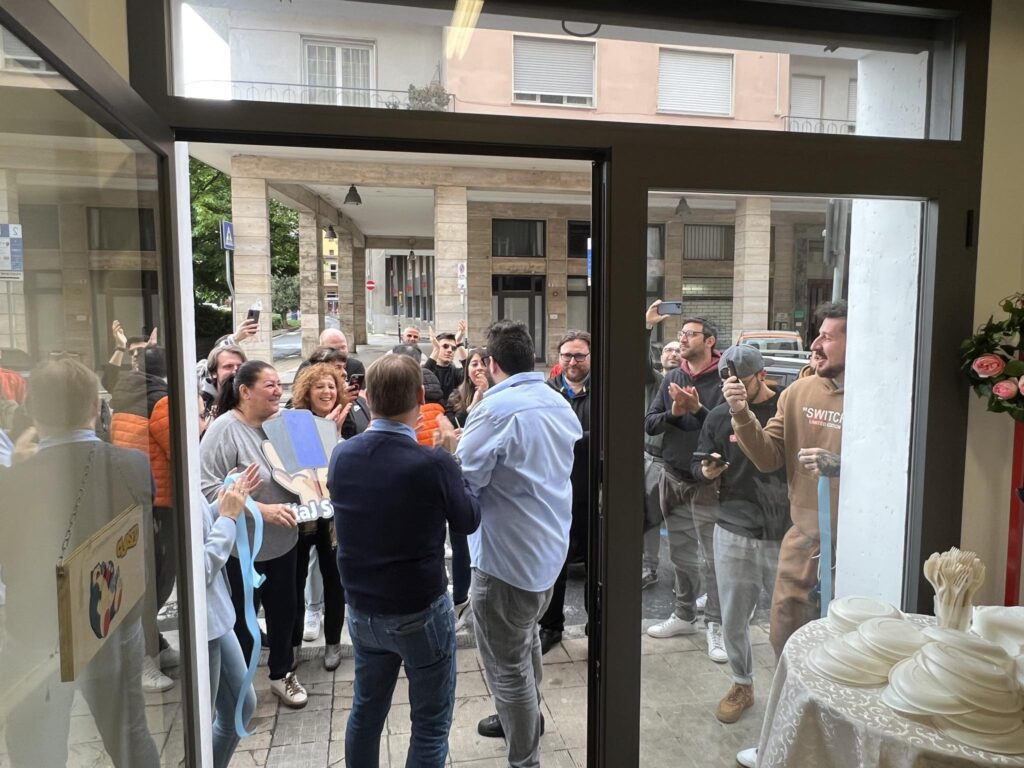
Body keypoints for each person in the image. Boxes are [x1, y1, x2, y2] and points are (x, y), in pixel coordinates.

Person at [0, 358, 160, 766]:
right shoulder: (133, 465)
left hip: (37, 634)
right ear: (96, 406)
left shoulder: (12, 482)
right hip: (110, 620)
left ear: (31, 410)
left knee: (37, 748)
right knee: (130, 735)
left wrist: (19, 469)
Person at [330, 354, 480, 767]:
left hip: (362, 610)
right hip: (419, 611)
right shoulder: (432, 462)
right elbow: (467, 520)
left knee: (365, 712)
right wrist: (454, 459)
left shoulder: (342, 455)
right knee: (430, 724)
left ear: (368, 398)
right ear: (420, 396)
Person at [448, 319, 582, 767]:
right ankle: (523, 719)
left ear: (491, 363)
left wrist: (449, 450)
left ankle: (525, 758)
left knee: (508, 670)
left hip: (505, 563)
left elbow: (465, 484)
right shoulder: (556, 400)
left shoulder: (494, 411)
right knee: (524, 645)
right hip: (546, 554)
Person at [728, 301, 846, 768]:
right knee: (788, 643)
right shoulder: (799, 391)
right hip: (804, 541)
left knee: (846, 656)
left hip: (858, 547)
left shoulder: (880, 392)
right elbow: (768, 457)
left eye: (828, 336)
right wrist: (741, 414)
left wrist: (844, 466)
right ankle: (784, 745)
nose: (815, 344)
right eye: (818, 334)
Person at [199, 360, 308, 708]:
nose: (278, 391)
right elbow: (206, 488)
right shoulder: (224, 429)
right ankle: (239, 687)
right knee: (242, 617)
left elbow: (311, 473)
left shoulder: (286, 423)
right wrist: (262, 511)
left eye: (279, 384)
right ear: (245, 391)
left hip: (285, 541)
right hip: (240, 548)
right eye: (270, 385)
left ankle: (281, 673)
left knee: (284, 611)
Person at [692, 345, 789, 725]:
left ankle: (793, 687)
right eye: (727, 382)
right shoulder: (719, 415)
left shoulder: (785, 408)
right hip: (733, 524)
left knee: (788, 618)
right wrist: (706, 471)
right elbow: (700, 460)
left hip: (784, 530)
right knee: (732, 617)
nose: (733, 389)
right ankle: (741, 683)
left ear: (762, 375)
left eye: (741, 381)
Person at [644, 316, 727, 664]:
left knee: (713, 558)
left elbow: (729, 432)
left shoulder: (724, 379)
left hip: (708, 483)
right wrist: (675, 414)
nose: (683, 339)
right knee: (680, 554)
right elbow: (651, 423)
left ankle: (716, 624)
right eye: (682, 334)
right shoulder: (673, 377)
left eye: (690, 334)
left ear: (709, 341)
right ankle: (684, 614)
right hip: (672, 476)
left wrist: (699, 410)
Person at [109, 346, 177, 692]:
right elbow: (180, 451)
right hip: (159, 501)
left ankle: (154, 644)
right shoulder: (161, 400)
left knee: (145, 578)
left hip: (134, 498)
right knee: (158, 580)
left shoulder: (125, 395)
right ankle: (142, 658)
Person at [199, 427, 259, 768]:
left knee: (242, 706)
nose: (204, 422)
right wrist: (228, 518)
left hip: (217, 617)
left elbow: (202, 522)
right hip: (204, 624)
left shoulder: (182, 474)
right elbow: (202, 567)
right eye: (199, 416)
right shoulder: (170, 478)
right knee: (204, 721)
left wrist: (230, 496)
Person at [288, 363, 350, 670]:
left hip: (332, 517)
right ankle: (294, 645)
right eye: (319, 386)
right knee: (295, 580)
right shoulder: (294, 423)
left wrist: (335, 434)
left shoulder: (346, 419)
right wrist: (327, 434)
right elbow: (299, 468)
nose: (327, 392)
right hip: (301, 517)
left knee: (334, 580)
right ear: (307, 392)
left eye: (331, 386)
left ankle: (333, 643)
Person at [538, 330, 592, 654]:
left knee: (596, 567)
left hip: (592, 494)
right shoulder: (547, 392)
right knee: (554, 566)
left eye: (579, 355)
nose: (573, 361)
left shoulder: (603, 390)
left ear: (590, 357)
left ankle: (595, 626)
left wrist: (570, 437)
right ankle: (551, 626)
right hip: (554, 496)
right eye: (567, 355)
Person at [443, 346, 493, 631]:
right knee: (461, 543)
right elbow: (451, 428)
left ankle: (482, 601)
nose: (478, 369)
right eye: (474, 364)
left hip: (486, 481)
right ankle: (460, 600)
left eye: (483, 364)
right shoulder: (457, 396)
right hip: (460, 477)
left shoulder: (498, 398)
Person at [642, 301, 682, 589]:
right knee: (647, 519)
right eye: (668, 350)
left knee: (681, 523)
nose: (673, 354)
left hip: (680, 465)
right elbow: (640, 361)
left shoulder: (693, 384)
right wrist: (647, 326)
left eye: (678, 350)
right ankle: (649, 567)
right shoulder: (654, 381)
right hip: (652, 461)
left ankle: (685, 577)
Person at [200, 345, 247, 418]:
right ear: (214, 373)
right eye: (228, 366)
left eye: (240, 366)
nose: (235, 371)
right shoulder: (200, 403)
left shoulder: (252, 398)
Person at [425, 324, 467, 402]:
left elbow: (469, 372)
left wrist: (459, 343)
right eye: (445, 346)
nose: (450, 350)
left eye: (453, 348)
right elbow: (423, 376)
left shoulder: (455, 372)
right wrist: (436, 349)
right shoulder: (427, 369)